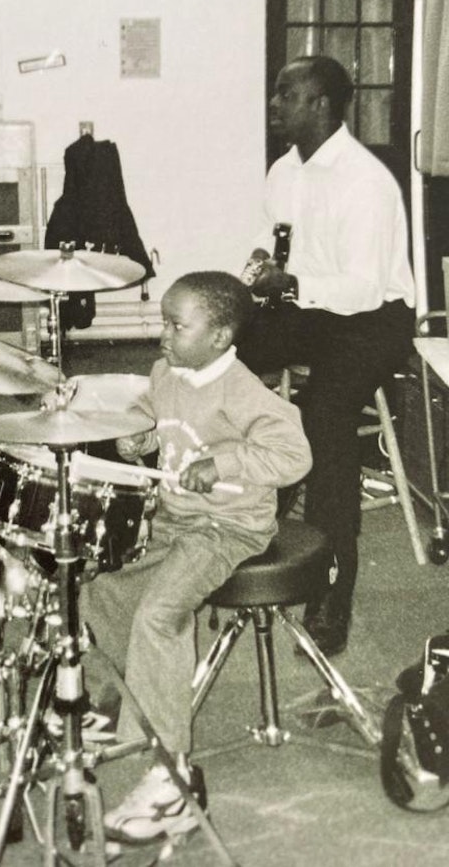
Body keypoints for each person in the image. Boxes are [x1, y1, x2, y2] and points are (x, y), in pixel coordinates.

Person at [80, 270, 312, 848]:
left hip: (226, 529)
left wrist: (226, 462)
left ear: (220, 335)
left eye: (176, 325)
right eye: (163, 320)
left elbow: (293, 455)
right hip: (174, 519)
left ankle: (171, 781)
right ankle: (114, 709)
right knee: (100, 588)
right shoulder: (168, 371)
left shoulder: (245, 392)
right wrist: (138, 438)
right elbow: (150, 414)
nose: (162, 334)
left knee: (160, 614)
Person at [236, 55, 415, 657]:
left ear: (321, 106)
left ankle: (332, 587)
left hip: (375, 318)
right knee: (223, 351)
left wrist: (286, 287)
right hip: (312, 307)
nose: (273, 104)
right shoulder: (285, 169)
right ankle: (250, 511)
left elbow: (362, 288)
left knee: (326, 415)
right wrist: (266, 265)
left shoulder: (366, 182)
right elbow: (285, 245)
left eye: (286, 95)